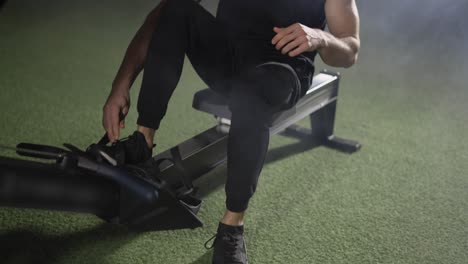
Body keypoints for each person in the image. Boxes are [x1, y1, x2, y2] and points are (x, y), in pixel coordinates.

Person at [102, 0, 360, 263]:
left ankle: (232, 226)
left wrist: (321, 37)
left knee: (254, 90)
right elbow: (163, 13)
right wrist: (121, 84)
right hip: (229, 60)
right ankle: (142, 142)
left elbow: (350, 48)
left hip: (281, 70)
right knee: (177, 9)